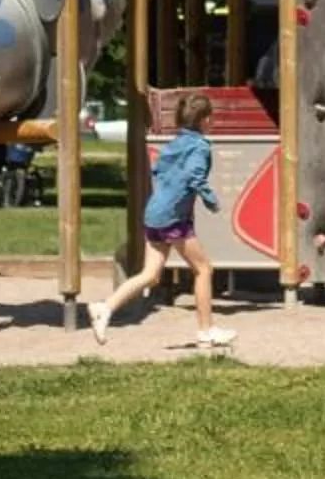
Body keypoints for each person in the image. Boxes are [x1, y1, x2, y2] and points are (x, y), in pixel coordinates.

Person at [89, 91, 231, 350]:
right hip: (173, 218)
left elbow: (158, 168)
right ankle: (206, 330)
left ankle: (105, 307)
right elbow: (195, 177)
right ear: (204, 120)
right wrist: (211, 200)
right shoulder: (199, 146)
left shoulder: (174, 144)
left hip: (154, 214)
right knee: (203, 270)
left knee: (150, 274)